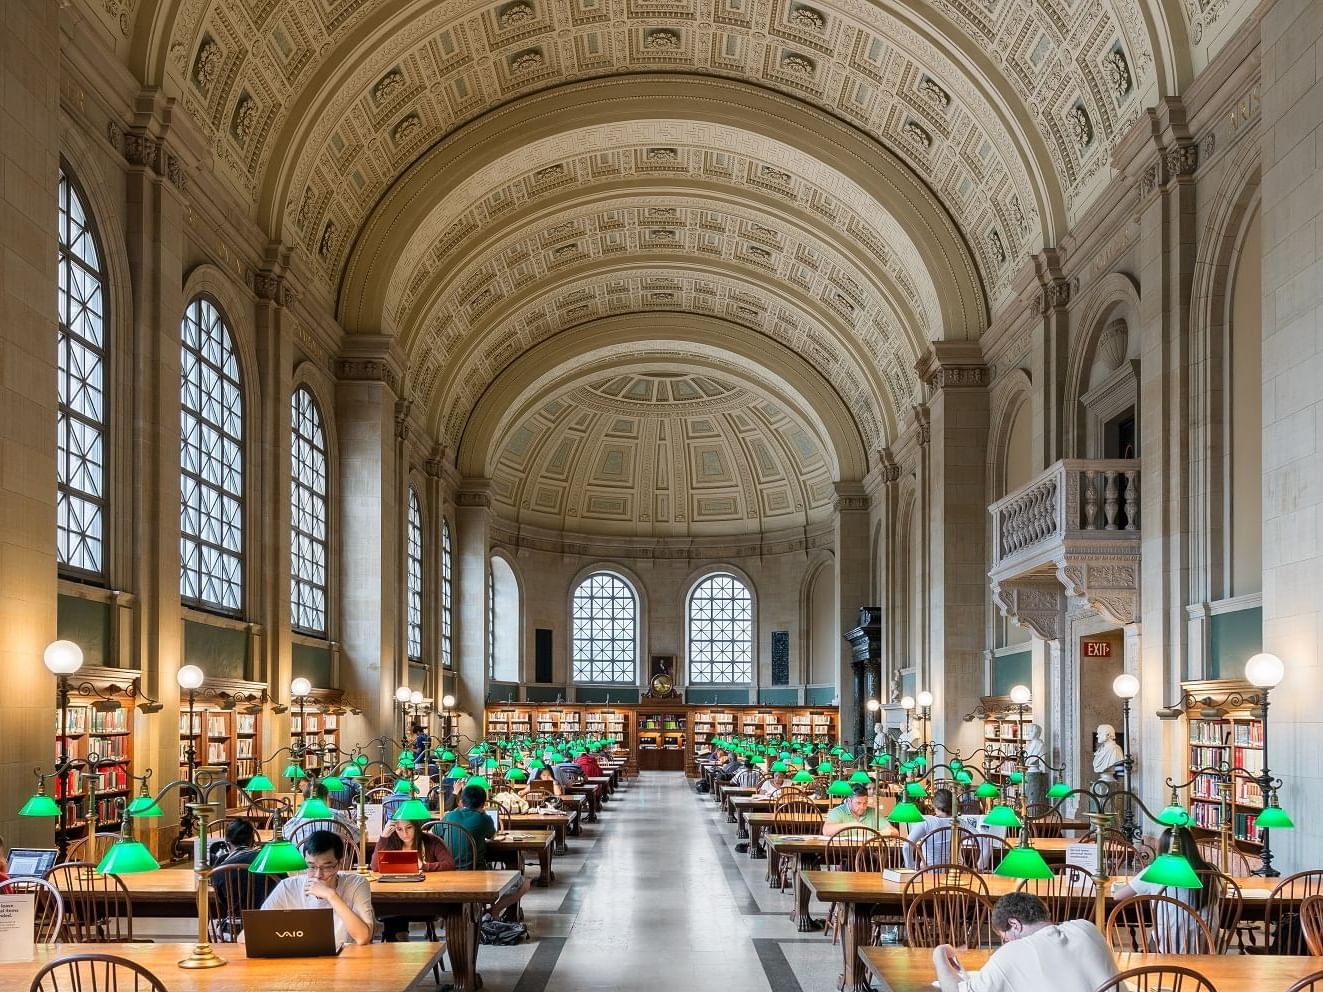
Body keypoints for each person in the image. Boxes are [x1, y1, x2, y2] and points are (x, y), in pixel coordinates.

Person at [933, 892, 1118, 992]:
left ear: (1014, 924)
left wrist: (940, 954)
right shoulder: (1086, 927)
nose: (1006, 943)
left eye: (1005, 938)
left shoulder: (1012, 953)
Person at [256, 829, 375, 946]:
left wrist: (331, 895)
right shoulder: (287, 887)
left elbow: (362, 937)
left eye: (327, 867)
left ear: (339, 864)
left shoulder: (357, 884)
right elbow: (251, 934)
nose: (318, 875)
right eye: (311, 867)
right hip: (299, 959)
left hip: (345, 960)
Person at [1111, 826, 1217, 952]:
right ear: (1192, 846)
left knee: (1157, 935)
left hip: (1167, 949)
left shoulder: (1154, 872)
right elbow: (1222, 892)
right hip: (1206, 948)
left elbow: (1118, 896)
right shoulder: (1211, 871)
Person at [438, 786, 530, 920]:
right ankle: (495, 911)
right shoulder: (484, 818)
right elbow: (492, 835)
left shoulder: (448, 816)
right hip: (476, 874)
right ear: (483, 804)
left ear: (461, 802)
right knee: (524, 882)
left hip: (447, 874)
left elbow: (435, 835)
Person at [371, 817, 456, 941]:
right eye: (399, 829)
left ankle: (399, 942)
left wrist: (424, 866)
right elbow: (375, 866)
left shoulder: (431, 841)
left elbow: (449, 864)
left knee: (394, 907)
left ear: (416, 826)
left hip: (425, 898)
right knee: (392, 904)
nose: (404, 834)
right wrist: (383, 837)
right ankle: (399, 942)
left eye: (409, 828)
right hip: (397, 896)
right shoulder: (390, 842)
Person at [284, 782, 361, 841]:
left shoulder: (298, 817)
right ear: (326, 798)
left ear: (304, 799)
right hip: (332, 861)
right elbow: (358, 836)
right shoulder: (335, 814)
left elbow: (284, 836)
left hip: (302, 861)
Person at [903, 788, 955, 867]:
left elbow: (907, 846)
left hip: (929, 874)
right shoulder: (959, 822)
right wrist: (980, 865)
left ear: (933, 805)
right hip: (957, 874)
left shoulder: (926, 821)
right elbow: (980, 839)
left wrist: (911, 867)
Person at [822, 783, 895, 836]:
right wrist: (854, 825)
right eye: (858, 803)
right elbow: (826, 831)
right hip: (841, 853)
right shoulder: (838, 811)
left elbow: (895, 831)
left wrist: (886, 833)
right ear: (849, 801)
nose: (862, 807)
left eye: (865, 803)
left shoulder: (873, 812)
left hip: (868, 853)